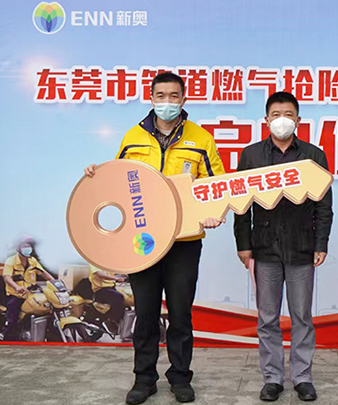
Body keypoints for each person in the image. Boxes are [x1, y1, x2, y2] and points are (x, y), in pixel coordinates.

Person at [84, 72, 226, 404]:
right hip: (142, 241)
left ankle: (180, 377)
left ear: (183, 98)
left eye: (174, 96)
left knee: (180, 312)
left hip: (184, 241)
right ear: (151, 98)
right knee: (145, 313)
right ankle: (144, 379)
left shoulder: (201, 139)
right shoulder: (133, 137)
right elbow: (117, 182)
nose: (167, 102)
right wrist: (95, 176)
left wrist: (215, 212)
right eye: (161, 96)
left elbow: (217, 186)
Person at [233, 91, 333, 402]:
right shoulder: (251, 155)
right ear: (266, 120)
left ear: (298, 120)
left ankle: (302, 377)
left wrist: (321, 242)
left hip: (302, 247)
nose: (282, 120)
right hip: (264, 248)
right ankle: (273, 378)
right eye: (276, 114)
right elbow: (241, 206)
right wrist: (243, 244)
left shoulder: (313, 156)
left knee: (302, 315)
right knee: (267, 317)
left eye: (288, 114)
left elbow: (324, 205)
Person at [2, 237, 55, 341]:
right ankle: (7, 340)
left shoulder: (32, 261)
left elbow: (44, 273)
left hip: (31, 294)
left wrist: (56, 283)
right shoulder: (11, 261)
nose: (28, 248)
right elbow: (7, 277)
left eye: (29, 245)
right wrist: (17, 287)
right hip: (16, 295)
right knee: (12, 319)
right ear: (18, 248)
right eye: (24, 245)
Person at [88, 265, 127, 334]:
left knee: (126, 296)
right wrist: (116, 278)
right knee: (118, 297)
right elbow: (100, 274)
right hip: (100, 290)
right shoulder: (95, 263)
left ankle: (122, 323)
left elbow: (115, 271)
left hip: (111, 288)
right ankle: (111, 321)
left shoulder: (106, 263)